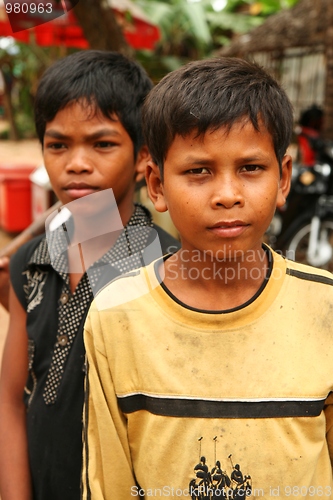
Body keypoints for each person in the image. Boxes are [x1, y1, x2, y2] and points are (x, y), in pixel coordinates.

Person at [82, 57, 333, 499]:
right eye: (198, 171)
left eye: (251, 168)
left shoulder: (325, 309)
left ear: (284, 179)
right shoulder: (115, 315)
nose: (227, 195)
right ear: (156, 185)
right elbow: (108, 483)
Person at [0, 50, 179, 500]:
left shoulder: (168, 270)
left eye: (102, 144)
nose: (76, 163)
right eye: (58, 145)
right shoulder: (31, 265)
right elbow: (10, 401)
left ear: (143, 160)